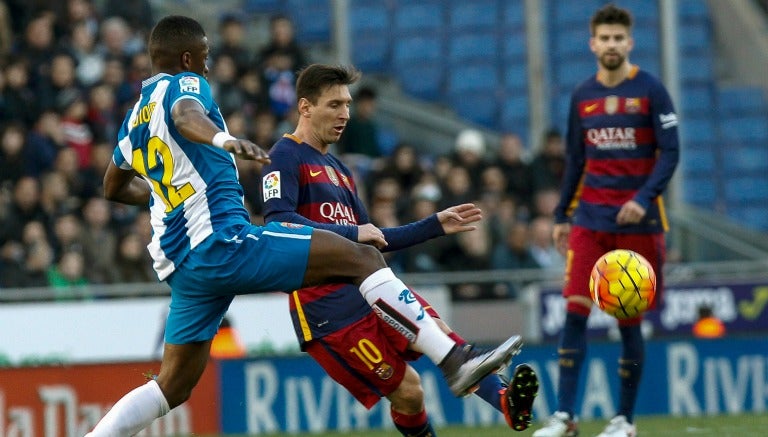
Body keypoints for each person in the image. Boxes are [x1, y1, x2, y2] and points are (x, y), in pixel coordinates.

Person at [86, 16, 523, 436]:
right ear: (186, 58)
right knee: (362, 258)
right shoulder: (185, 86)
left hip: (186, 269)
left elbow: (112, 185)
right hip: (225, 242)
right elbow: (185, 115)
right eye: (203, 56)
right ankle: (455, 361)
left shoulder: (133, 120)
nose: (206, 64)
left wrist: (163, 195)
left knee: (172, 386)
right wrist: (223, 139)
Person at [261, 63, 539, 435]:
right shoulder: (285, 154)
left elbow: (372, 237)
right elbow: (278, 222)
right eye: (334, 105)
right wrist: (351, 232)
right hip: (326, 308)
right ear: (305, 107)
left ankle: (506, 402)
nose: (345, 114)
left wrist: (434, 225)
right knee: (410, 393)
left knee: (436, 328)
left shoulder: (340, 170)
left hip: (367, 289)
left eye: (347, 104)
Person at [533, 4, 680, 437]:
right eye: (605, 38)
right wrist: (562, 215)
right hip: (590, 221)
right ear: (592, 43)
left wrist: (643, 197)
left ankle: (624, 421)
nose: (612, 45)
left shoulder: (652, 91)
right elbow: (576, 159)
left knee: (628, 319)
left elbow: (670, 152)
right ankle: (564, 416)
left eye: (619, 38)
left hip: (638, 224)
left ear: (629, 43)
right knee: (574, 311)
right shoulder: (582, 96)